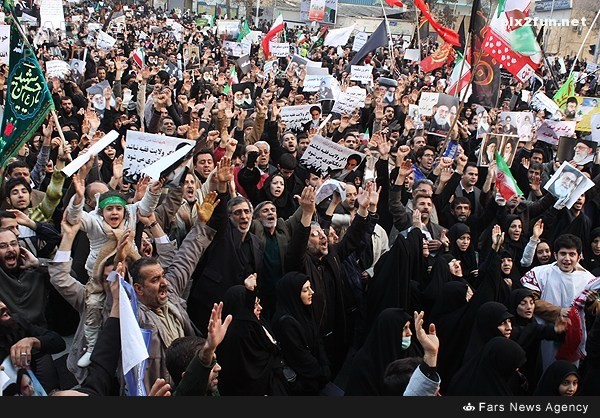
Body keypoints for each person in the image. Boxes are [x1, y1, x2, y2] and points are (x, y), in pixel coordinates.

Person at [520, 234, 599, 371]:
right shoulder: (540, 273)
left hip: (574, 336)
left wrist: (591, 302)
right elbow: (529, 301)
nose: (567, 259)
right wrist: (558, 312)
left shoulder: (588, 279)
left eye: (572, 254)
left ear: (579, 256)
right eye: (563, 254)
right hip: (543, 333)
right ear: (555, 255)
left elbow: (596, 310)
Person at [272, 272, 332, 395]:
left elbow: (317, 340)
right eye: (305, 290)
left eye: (310, 287)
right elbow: (300, 357)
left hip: (315, 377)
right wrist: (322, 372)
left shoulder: (303, 311)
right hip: (303, 385)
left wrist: (325, 365)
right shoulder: (286, 323)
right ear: (293, 294)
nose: (312, 292)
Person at [344, 308, 419, 396]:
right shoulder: (364, 365)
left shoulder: (410, 353)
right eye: (405, 328)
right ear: (390, 331)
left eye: (409, 327)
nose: (410, 333)